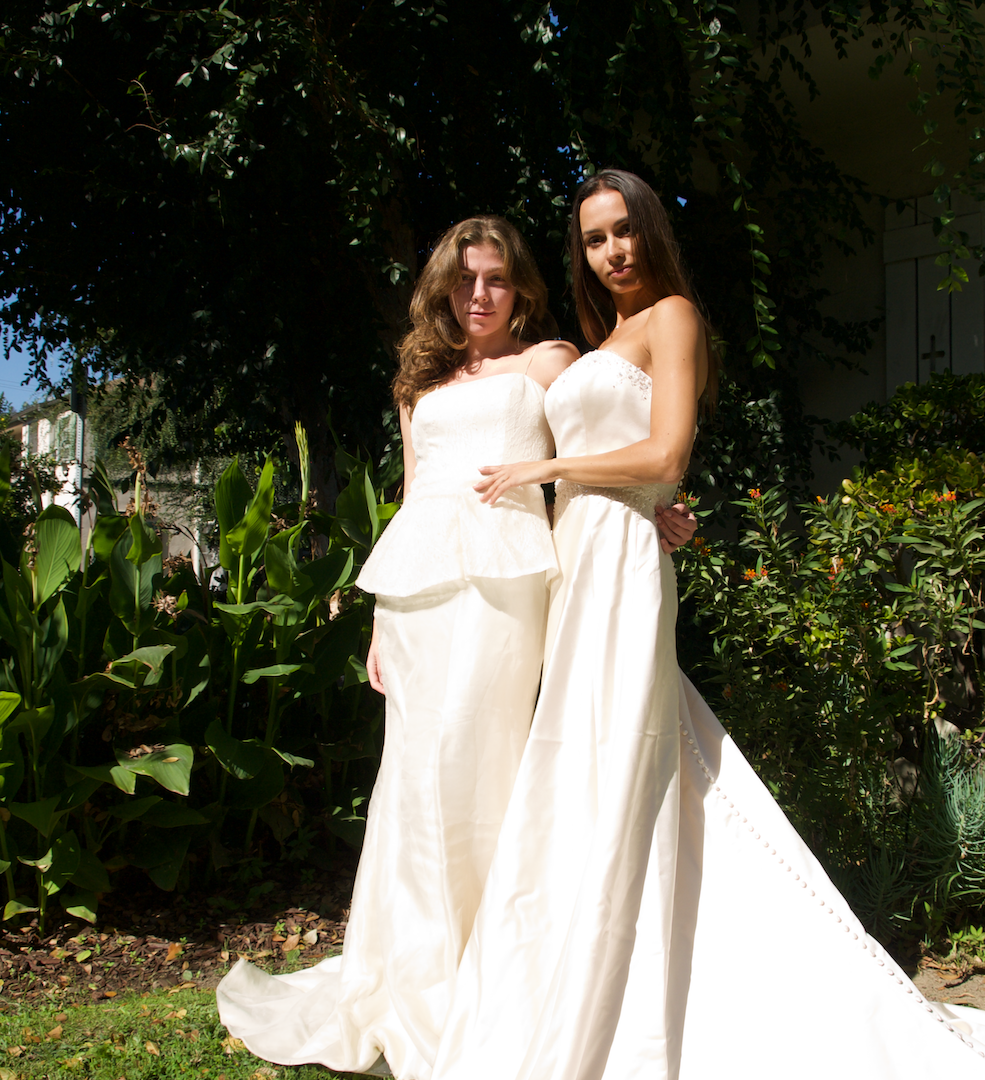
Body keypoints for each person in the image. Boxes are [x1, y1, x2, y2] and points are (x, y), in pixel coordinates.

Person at [428, 171, 985, 1080]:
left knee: (621, 753)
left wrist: (562, 469)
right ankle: (566, 956)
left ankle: (632, 982)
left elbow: (665, 451)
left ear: (650, 231)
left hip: (622, 569)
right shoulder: (597, 339)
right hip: (582, 559)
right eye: (592, 239)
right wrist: (626, 496)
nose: (612, 251)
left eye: (623, 231)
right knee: (582, 756)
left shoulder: (674, 318)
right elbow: (638, 471)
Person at [216, 215, 695, 1078]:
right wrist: (377, 621)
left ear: (521, 290)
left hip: (507, 583)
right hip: (417, 593)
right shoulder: (415, 385)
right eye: (465, 281)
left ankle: (487, 977)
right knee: (413, 776)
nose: (480, 295)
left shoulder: (550, 362)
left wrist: (655, 502)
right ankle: (409, 976)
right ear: (442, 288)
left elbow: (596, 440)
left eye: (497, 280)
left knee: (483, 766)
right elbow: (410, 495)